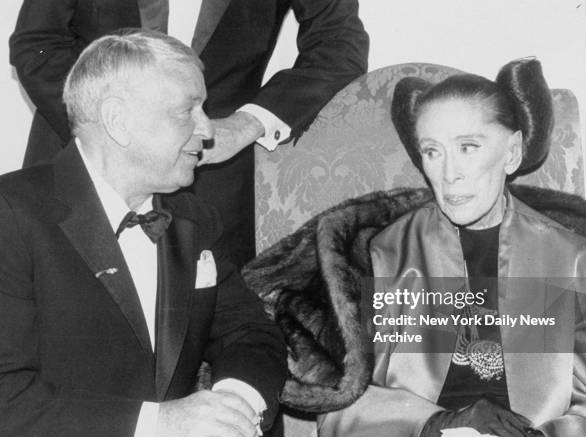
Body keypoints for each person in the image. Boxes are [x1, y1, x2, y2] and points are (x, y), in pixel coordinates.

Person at [295, 59, 586, 437]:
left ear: (512, 152)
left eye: (468, 147)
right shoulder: (385, 253)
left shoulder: (568, 257)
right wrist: (438, 422)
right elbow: (343, 400)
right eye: (432, 151)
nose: (449, 174)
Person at [0, 30, 287, 437]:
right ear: (118, 121)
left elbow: (251, 335)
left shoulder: (193, 218)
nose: (208, 131)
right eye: (187, 111)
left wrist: (231, 409)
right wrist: (158, 426)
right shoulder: (11, 214)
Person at [9, 0, 369, 268]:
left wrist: (248, 124)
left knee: (214, 339)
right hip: (85, 161)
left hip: (211, 180)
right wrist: (105, 129)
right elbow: (37, 43)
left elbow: (339, 44)